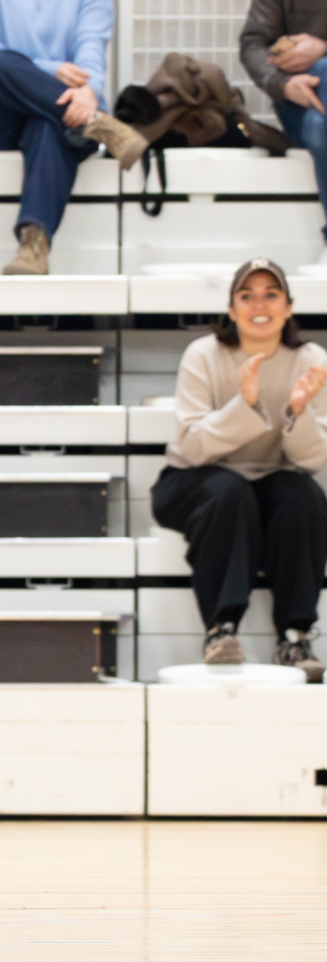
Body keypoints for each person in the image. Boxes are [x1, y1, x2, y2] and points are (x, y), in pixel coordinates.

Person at [151, 258, 327, 680]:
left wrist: (297, 411)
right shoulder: (204, 354)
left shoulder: (310, 359)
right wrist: (243, 404)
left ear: (288, 307)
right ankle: (221, 631)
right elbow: (193, 447)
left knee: (304, 496)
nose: (259, 305)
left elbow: (311, 461)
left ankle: (295, 637)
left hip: (268, 485)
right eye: (247, 296)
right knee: (229, 491)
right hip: (194, 482)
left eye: (271, 294)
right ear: (231, 309)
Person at [0, 0, 147, 276]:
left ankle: (34, 247)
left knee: (47, 124)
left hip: (62, 116)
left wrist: (88, 90)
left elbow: (91, 43)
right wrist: (50, 69)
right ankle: (99, 126)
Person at [240, 0, 327, 264]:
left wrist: (323, 49)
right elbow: (253, 44)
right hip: (300, 98)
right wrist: (283, 85)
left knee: (319, 126)